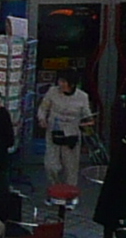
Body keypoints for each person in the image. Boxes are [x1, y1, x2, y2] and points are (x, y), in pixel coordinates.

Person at [36, 72, 95, 202]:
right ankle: (55, 190)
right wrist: (42, 119)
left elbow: (88, 116)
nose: (60, 85)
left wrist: (87, 123)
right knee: (51, 165)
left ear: (72, 84)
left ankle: (70, 195)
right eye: (60, 81)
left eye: (64, 82)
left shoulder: (82, 96)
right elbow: (43, 107)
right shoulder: (52, 92)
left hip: (71, 134)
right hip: (54, 132)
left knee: (71, 167)